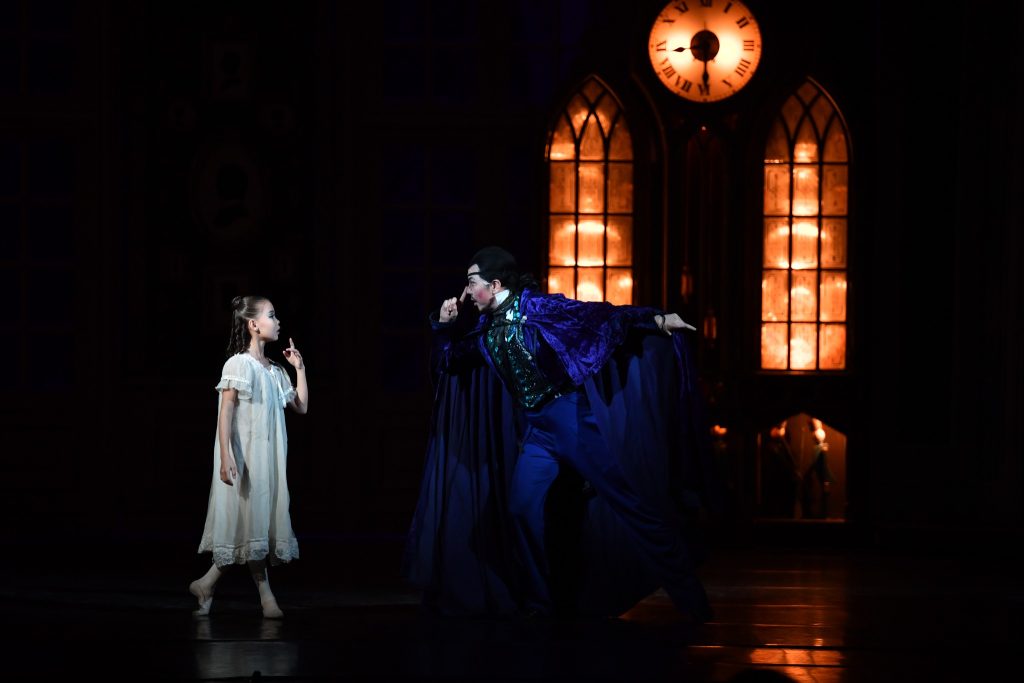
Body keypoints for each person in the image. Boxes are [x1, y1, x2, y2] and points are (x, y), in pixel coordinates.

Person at [403, 246, 721, 621]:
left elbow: (598, 316)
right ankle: (539, 605)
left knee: (629, 503)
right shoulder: (485, 331)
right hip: (538, 432)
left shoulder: (537, 308)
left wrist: (656, 320)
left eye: (472, 283)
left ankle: (692, 599)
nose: (466, 292)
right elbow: (449, 363)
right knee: (522, 508)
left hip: (571, 422)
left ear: (495, 284)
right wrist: (443, 327)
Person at [188, 295, 308, 618]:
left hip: (266, 460)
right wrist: (225, 455)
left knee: (253, 527)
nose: (278, 321)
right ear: (254, 324)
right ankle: (266, 597)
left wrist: (299, 369)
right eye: (272, 315)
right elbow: (225, 412)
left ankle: (206, 585)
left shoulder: (275, 371)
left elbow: (301, 406)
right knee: (248, 525)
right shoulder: (238, 365)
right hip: (244, 459)